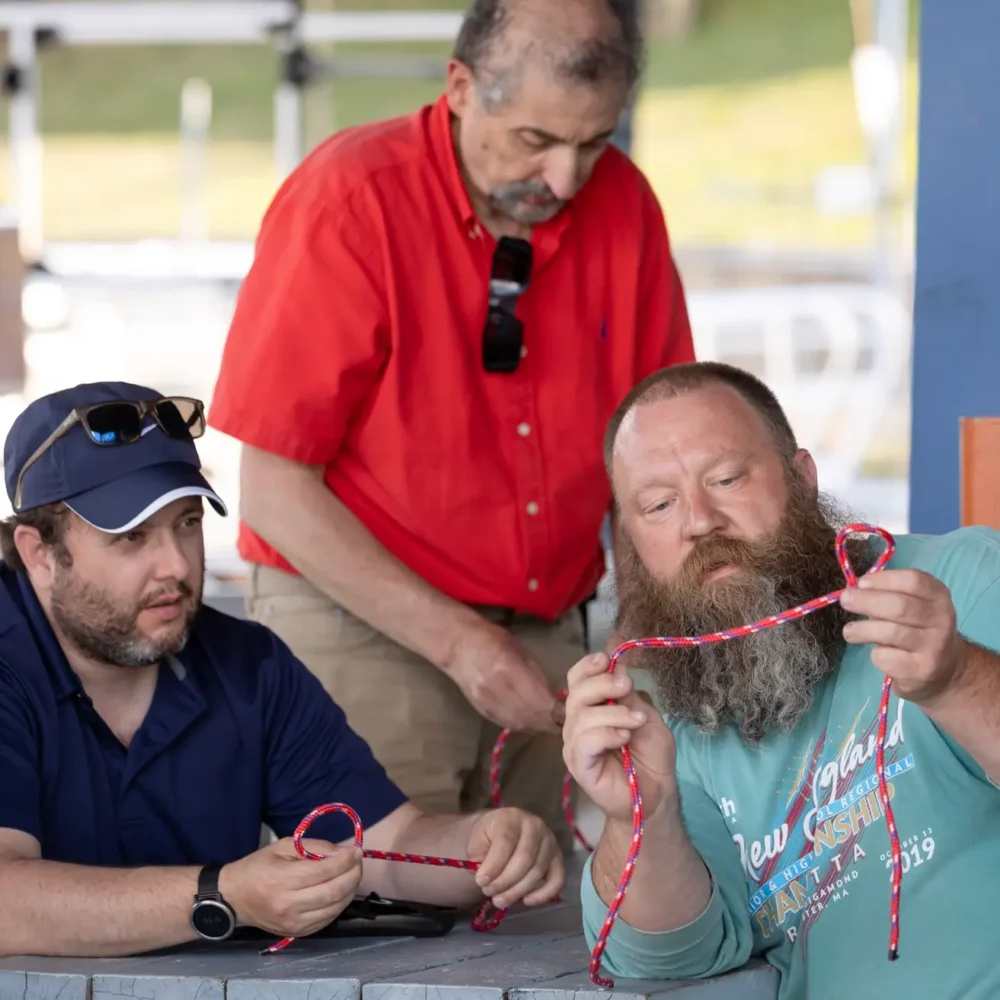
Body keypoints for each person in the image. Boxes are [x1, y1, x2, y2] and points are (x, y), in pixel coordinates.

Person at [206, 0, 695, 856]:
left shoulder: (627, 205)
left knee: (527, 917)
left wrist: (642, 633)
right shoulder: (351, 198)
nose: (569, 179)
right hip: (359, 622)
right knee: (363, 914)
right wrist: (462, 643)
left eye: (594, 141)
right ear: (461, 88)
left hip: (550, 635)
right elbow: (274, 489)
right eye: (536, 141)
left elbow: (658, 453)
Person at [0, 382, 564, 960]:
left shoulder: (247, 664)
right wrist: (222, 896)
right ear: (38, 553)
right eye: (131, 538)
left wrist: (484, 850)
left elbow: (384, 847)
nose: (174, 564)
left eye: (188, 523)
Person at [562, 361, 1000, 999]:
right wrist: (642, 816)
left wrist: (956, 679)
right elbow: (667, 961)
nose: (700, 520)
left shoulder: (960, 579)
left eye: (727, 478)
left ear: (802, 478)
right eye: (659, 504)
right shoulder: (664, 714)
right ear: (632, 543)